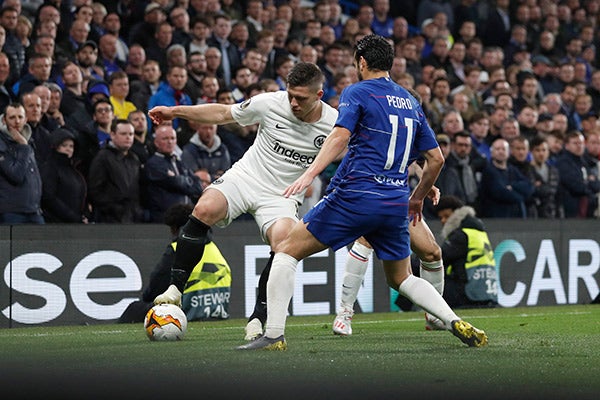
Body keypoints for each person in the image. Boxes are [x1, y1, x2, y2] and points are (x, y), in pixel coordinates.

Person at [236, 35, 487, 351]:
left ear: (362, 62)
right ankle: (452, 320)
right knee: (402, 278)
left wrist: (310, 173)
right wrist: (417, 197)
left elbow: (340, 137)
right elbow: (436, 158)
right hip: (396, 201)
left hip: (355, 195)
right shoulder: (410, 101)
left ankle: (273, 334)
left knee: (286, 251)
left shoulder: (357, 91)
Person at [148, 62, 338, 329]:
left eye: (301, 98)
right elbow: (222, 113)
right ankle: (175, 290)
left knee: (284, 244)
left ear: (318, 96)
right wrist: (174, 112)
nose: (293, 102)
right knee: (204, 208)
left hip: (281, 196)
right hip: (247, 177)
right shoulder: (271, 103)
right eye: (290, 95)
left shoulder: (334, 124)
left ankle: (259, 319)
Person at [118, 203, 231, 323]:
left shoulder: (177, 249)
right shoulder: (214, 249)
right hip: (218, 315)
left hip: (187, 316)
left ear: (176, 229)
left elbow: (154, 289)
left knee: (134, 309)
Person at [435, 195, 498, 309]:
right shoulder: (478, 231)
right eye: (441, 218)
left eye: (446, 216)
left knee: (427, 271)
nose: (443, 221)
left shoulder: (460, 236)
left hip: (467, 293)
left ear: (456, 214)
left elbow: (439, 258)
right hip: (485, 293)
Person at [143, 124, 203, 223]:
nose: (170, 142)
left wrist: (179, 179)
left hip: (186, 217)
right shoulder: (153, 164)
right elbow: (176, 183)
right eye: (165, 139)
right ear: (156, 143)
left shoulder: (180, 162)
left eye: (172, 138)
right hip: (163, 219)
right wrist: (186, 181)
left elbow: (198, 186)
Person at [87, 119, 142, 223]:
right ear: (112, 135)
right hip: (109, 220)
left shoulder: (134, 159)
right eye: (123, 134)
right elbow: (95, 190)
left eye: (131, 134)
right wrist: (114, 209)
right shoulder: (103, 157)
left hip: (132, 218)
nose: (128, 137)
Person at [0, 102, 44, 224]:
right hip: (12, 213)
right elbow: (16, 175)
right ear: (4, 120)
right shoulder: (3, 144)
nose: (17, 121)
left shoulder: (29, 140)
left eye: (20, 117)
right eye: (12, 117)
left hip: (34, 210)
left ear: (26, 119)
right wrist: (23, 146)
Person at [39, 129, 88, 223]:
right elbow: (49, 198)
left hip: (74, 222)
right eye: (64, 145)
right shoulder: (50, 167)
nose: (68, 149)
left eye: (71, 146)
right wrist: (72, 216)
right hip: (56, 223)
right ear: (55, 146)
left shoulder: (74, 169)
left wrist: (83, 215)